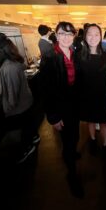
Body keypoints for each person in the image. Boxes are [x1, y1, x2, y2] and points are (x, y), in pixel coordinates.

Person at [39, 21, 84, 198]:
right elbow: (45, 90)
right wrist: (53, 117)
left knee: (75, 136)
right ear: (56, 36)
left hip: (74, 106)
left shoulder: (75, 53)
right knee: (68, 140)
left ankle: (72, 152)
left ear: (73, 35)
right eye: (62, 34)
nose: (66, 37)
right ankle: (72, 176)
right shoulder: (50, 56)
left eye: (69, 34)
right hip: (60, 108)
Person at [0, 32, 40, 163]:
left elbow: (12, 98)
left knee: (20, 131)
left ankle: (27, 148)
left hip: (19, 108)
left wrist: (6, 110)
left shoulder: (9, 68)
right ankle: (33, 137)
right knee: (28, 126)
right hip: (26, 104)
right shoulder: (12, 63)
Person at [77, 24, 106, 156]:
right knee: (90, 120)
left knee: (104, 122)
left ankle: (105, 146)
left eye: (96, 34)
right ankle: (92, 140)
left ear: (100, 36)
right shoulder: (79, 56)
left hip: (103, 96)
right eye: (89, 34)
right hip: (86, 96)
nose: (93, 37)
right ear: (85, 36)